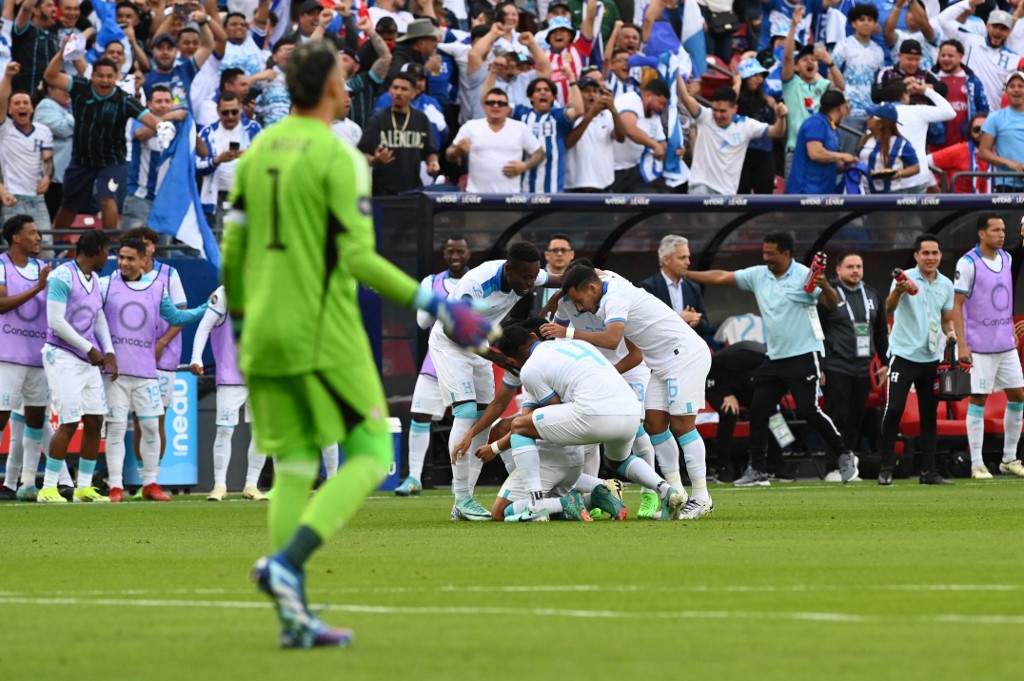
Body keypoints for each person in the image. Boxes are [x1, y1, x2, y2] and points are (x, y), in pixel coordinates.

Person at [222, 40, 492, 648]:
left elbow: (233, 251)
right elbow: (355, 256)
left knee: (293, 466)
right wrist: (436, 304)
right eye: (344, 79)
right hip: (320, 330)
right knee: (371, 452)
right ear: (328, 89)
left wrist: (243, 328)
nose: (350, 89)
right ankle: (287, 561)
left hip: (262, 331)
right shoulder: (337, 156)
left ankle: (293, 616)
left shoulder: (258, 149)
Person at [686, 231, 859, 486]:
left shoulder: (804, 274)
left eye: (771, 253)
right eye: (764, 252)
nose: (766, 257)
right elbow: (722, 277)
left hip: (803, 354)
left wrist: (824, 285)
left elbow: (832, 305)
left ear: (786, 254)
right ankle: (757, 470)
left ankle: (844, 454)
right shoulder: (759, 275)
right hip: (774, 356)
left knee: (809, 410)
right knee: (758, 410)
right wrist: (687, 275)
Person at [552, 264, 715, 519]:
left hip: (684, 355)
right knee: (655, 425)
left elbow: (612, 340)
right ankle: (676, 492)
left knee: (683, 425)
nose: (580, 307)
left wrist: (567, 332)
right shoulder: (607, 281)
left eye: (579, 300)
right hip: (660, 362)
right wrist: (553, 298)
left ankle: (702, 497)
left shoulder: (614, 298)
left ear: (592, 288)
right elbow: (590, 269)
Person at [482, 326, 684, 522]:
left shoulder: (530, 370)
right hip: (630, 410)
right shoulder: (577, 345)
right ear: (535, 336)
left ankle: (536, 506)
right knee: (618, 460)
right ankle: (666, 490)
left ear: (510, 360)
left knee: (518, 426)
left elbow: (550, 408)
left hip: (591, 417)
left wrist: (495, 447)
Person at [429, 242, 552, 521]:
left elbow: (558, 278)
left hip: (479, 346)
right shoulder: (477, 283)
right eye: (526, 278)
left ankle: (464, 502)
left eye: (534, 278)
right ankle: (461, 497)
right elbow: (453, 328)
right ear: (509, 270)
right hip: (450, 344)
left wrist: (602, 276)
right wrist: (496, 358)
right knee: (466, 411)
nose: (531, 283)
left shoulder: (527, 272)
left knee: (484, 414)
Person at [99, 239, 207, 503]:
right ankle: (115, 487)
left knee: (150, 427)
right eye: (120, 257)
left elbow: (177, 318)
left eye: (130, 259)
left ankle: (150, 483)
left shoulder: (158, 288)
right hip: (115, 375)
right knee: (115, 430)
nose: (124, 263)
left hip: (147, 373)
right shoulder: (105, 285)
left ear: (143, 260)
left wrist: (207, 308)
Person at [43, 46, 161, 231]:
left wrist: (164, 128)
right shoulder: (80, 86)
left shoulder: (124, 100)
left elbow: (150, 119)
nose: (105, 80)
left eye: (109, 76)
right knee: (69, 204)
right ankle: (56, 246)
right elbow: (50, 76)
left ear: (116, 78)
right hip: (81, 161)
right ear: (92, 76)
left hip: (112, 161)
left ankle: (110, 248)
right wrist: (61, 52)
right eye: (100, 75)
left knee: (107, 198)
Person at [37, 229, 115, 503]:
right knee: (69, 421)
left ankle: (83, 487)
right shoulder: (62, 276)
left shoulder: (95, 280)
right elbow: (55, 322)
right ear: (96, 250)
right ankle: (48, 488)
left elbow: (98, 317)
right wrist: (89, 348)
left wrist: (109, 351)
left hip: (86, 359)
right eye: (107, 250)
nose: (109, 256)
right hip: (62, 356)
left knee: (94, 421)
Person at [394, 235, 470, 497]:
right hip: (435, 360)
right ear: (444, 254)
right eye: (450, 251)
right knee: (420, 415)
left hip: (468, 360)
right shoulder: (431, 282)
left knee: (468, 418)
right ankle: (414, 476)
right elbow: (422, 321)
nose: (455, 256)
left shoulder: (480, 279)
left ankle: (461, 480)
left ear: (468, 253)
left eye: (460, 251)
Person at [877, 234, 955, 486]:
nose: (930, 258)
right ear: (916, 256)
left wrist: (952, 332)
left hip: (932, 357)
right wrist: (899, 291)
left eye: (935, 253)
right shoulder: (905, 278)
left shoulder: (946, 284)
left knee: (929, 415)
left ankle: (928, 472)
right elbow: (887, 309)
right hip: (903, 355)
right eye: (925, 253)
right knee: (895, 409)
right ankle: (886, 466)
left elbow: (946, 319)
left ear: (940, 255)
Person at [952, 214, 1024, 479]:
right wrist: (962, 343)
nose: (1001, 234)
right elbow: (957, 305)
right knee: (979, 400)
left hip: (1005, 344)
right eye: (995, 230)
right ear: (982, 233)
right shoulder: (968, 263)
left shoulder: (1007, 258)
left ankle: (1009, 459)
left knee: (1018, 396)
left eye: (1004, 230)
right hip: (979, 346)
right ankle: (976, 464)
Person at [189, 285, 270, 501]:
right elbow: (204, 326)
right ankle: (219, 485)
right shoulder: (225, 294)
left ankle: (251, 485)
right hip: (231, 377)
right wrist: (196, 357)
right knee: (225, 430)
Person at [818, 252, 888, 482]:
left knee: (855, 419)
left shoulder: (872, 294)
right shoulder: (828, 294)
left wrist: (885, 362)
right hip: (836, 365)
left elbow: (879, 332)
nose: (855, 270)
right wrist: (820, 365)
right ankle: (832, 467)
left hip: (862, 367)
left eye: (859, 266)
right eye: (850, 266)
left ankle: (848, 467)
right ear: (838, 269)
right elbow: (817, 331)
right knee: (837, 417)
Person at [0, 214, 51, 501]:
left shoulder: (43, 268)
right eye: (32, 232)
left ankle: (28, 483)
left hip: (37, 357)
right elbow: (1, 304)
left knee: (35, 418)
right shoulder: (1, 265)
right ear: (16, 237)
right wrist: (37, 288)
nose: (38, 237)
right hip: (6, 356)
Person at [677, 82, 787, 196]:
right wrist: (676, 70)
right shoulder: (705, 116)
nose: (718, 115)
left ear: (734, 108)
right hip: (701, 187)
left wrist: (782, 117)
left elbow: (777, 132)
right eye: (715, 110)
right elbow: (685, 98)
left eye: (722, 111)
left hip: (727, 193)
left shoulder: (746, 125)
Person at [780, 4, 845, 174]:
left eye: (813, 60)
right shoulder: (791, 84)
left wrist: (829, 62)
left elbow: (841, 85)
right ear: (796, 67)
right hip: (796, 152)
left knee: (822, 199)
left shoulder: (822, 85)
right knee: (794, 200)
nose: (810, 62)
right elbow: (787, 57)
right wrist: (793, 26)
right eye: (804, 59)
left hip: (821, 151)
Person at [358, 65, 439, 196]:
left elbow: (430, 151)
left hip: (412, 191)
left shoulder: (421, 119)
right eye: (395, 88)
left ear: (413, 93)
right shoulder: (378, 119)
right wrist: (375, 160)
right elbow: (362, 153)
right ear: (390, 90)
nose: (398, 92)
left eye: (404, 89)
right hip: (382, 193)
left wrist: (433, 164)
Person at [446, 88, 545, 193]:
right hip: (476, 197)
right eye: (491, 103)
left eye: (501, 103)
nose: (496, 106)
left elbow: (540, 153)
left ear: (507, 108)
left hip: (511, 198)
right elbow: (449, 155)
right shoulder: (470, 127)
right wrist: (458, 151)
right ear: (484, 107)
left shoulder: (520, 128)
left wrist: (525, 166)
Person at [0, 62, 53, 246]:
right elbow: (1, 100)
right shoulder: (4, 128)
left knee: (46, 248)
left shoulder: (43, 131)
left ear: (32, 108)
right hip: (12, 198)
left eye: (25, 103)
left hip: (37, 199)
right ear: (9, 110)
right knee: (12, 251)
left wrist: (47, 177)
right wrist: (7, 76)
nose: (22, 106)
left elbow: (48, 159)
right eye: (16, 103)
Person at [121, 84, 188, 230]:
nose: (163, 105)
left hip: (167, 200)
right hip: (140, 197)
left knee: (163, 251)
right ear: (149, 104)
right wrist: (167, 117)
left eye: (167, 101)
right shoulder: (139, 120)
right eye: (159, 101)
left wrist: (189, 125)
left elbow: (203, 152)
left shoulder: (180, 126)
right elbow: (139, 135)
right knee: (132, 245)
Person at [507, 67, 584, 193]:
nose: (543, 92)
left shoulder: (558, 117)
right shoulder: (521, 114)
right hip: (524, 190)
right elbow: (489, 104)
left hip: (553, 191)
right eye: (538, 90)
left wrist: (572, 79)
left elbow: (579, 110)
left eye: (547, 90)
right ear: (531, 98)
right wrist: (493, 73)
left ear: (553, 98)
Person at [938, 2, 1020, 113]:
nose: (997, 32)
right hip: (968, 113)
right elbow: (943, 20)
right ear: (987, 25)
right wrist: (968, 3)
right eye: (994, 26)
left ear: (1009, 32)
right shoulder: (970, 40)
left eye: (1003, 28)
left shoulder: (1014, 59)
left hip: (994, 116)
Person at [197, 91, 262, 225]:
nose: (230, 116)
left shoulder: (253, 129)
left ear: (241, 109)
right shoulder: (207, 133)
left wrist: (249, 157)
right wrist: (217, 160)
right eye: (225, 113)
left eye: (234, 112)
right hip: (214, 200)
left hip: (246, 198)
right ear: (218, 111)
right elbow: (196, 165)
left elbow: (266, 160)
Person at [832, 3, 885, 154]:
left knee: (868, 155)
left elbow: (879, 81)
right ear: (853, 23)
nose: (866, 23)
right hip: (850, 111)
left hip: (871, 112)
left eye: (870, 19)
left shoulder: (878, 51)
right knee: (846, 154)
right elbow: (831, 73)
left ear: (875, 24)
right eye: (861, 19)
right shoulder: (844, 45)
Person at [786, 89, 858, 194]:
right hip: (806, 193)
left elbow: (832, 162)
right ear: (840, 108)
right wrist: (842, 156)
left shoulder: (833, 128)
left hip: (826, 193)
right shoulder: (816, 123)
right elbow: (815, 153)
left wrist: (848, 165)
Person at [638, 234, 710, 338]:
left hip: (687, 349)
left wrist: (697, 322)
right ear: (666, 260)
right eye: (682, 258)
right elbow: (643, 327)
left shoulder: (693, 288)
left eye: (688, 257)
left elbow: (706, 326)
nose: (688, 262)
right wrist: (678, 319)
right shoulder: (648, 288)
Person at [565, 76, 625, 192]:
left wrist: (613, 111)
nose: (591, 94)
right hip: (575, 188)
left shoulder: (607, 116)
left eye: (595, 91)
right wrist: (590, 115)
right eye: (586, 91)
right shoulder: (569, 115)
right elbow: (568, 142)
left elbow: (621, 138)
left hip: (604, 187)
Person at [610, 78, 669, 193]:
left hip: (635, 170)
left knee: (653, 202)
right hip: (612, 170)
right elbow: (629, 128)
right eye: (660, 103)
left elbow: (661, 142)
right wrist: (654, 145)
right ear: (648, 96)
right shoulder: (630, 99)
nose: (661, 108)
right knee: (608, 208)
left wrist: (669, 149)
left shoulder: (654, 115)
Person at [930, 39, 990, 151]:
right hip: (937, 142)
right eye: (943, 55)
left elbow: (983, 110)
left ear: (961, 57)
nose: (946, 59)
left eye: (950, 56)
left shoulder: (972, 81)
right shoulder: (930, 78)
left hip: (965, 142)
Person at [733, 57, 779, 194]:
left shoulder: (767, 100)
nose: (759, 79)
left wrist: (776, 110)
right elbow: (728, 105)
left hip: (765, 154)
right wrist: (736, 84)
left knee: (765, 198)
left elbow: (776, 128)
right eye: (754, 75)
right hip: (741, 154)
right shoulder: (737, 99)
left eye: (761, 76)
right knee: (741, 199)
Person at [857, 102, 921, 193]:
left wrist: (898, 173)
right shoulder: (865, 139)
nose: (868, 119)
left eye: (872, 117)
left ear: (881, 124)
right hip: (863, 192)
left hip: (889, 195)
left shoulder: (901, 143)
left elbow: (915, 167)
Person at [977, 71, 1024, 194]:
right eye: (1012, 86)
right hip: (1007, 184)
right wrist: (1010, 164)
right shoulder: (995, 118)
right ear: (1006, 91)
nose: (1016, 90)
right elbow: (983, 152)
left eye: (1021, 86)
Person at [927, 112, 990, 193]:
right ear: (970, 131)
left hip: (988, 203)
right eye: (977, 129)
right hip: (958, 203)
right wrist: (937, 191)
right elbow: (923, 163)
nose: (981, 133)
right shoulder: (959, 150)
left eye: (986, 129)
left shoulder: (996, 152)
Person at [10, 0, 57, 94]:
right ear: (35, 11)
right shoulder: (25, 29)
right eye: (49, 6)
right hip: (24, 94)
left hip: (46, 96)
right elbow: (26, 8)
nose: (54, 9)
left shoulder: (53, 37)